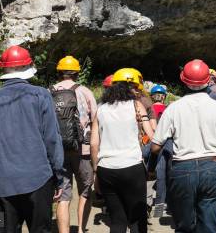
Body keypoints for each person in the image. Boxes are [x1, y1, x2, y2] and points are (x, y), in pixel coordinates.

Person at [0, 45, 64, 233]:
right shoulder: (41, 95)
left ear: (4, 69)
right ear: (28, 68)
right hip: (39, 180)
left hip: (3, 183)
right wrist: (58, 177)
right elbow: (52, 140)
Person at [148, 59, 216, 233]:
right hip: (213, 168)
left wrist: (151, 170)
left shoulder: (173, 109)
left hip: (182, 169)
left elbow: (155, 148)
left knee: (184, 227)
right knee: (210, 228)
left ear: (184, 81)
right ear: (208, 81)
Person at [90, 68, 154, 233]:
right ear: (130, 87)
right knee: (136, 219)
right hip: (132, 167)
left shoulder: (101, 109)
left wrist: (96, 171)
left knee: (117, 220)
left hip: (106, 169)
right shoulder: (136, 105)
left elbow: (94, 144)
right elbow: (151, 135)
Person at [52, 56, 98, 233]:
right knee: (85, 191)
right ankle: (80, 229)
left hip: (59, 151)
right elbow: (96, 121)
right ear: (77, 72)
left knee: (62, 195)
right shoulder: (85, 91)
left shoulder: (49, 92)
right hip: (83, 149)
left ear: (59, 72)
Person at [148, 84, 173, 217]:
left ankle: (149, 203)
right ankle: (162, 204)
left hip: (151, 143)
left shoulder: (148, 108)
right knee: (164, 174)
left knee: (151, 174)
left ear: (152, 97)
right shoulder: (169, 109)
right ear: (164, 97)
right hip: (167, 143)